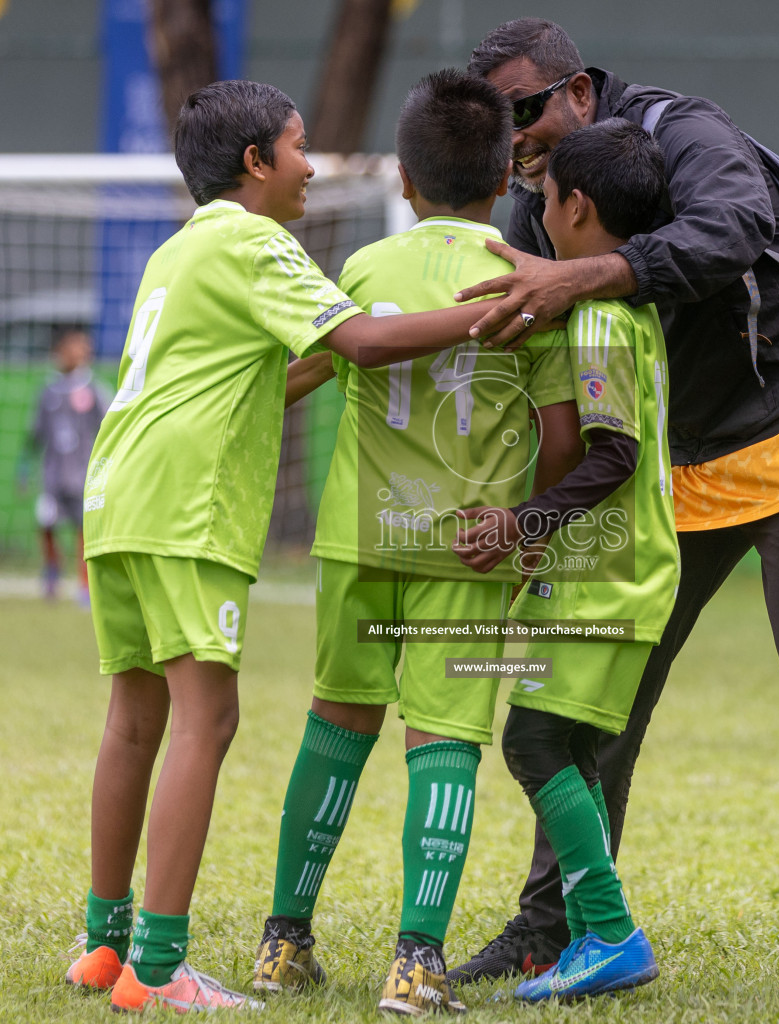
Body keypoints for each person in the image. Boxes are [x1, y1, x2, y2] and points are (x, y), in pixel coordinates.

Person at [449, 19, 779, 1009]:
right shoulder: (537, 213)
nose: (516, 135)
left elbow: (734, 225)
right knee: (597, 686)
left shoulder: (682, 130)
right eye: (499, 124)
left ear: (578, 92)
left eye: (526, 110)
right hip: (679, 451)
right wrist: (537, 518)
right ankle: (554, 924)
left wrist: (583, 273)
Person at [63, 78, 531, 1014]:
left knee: (133, 719)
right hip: (189, 512)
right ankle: (160, 970)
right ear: (255, 164)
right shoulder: (255, 239)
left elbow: (279, 373)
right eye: (298, 146)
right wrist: (497, 308)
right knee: (208, 720)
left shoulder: (180, 250)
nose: (312, 166)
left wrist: (345, 351)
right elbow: (358, 344)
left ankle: (102, 947)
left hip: (117, 501)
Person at [247, 69, 579, 1018]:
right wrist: (529, 535)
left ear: (403, 178)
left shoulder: (365, 274)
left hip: (358, 540)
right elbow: (560, 440)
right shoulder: (527, 283)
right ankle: (416, 964)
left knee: (334, 728)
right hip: (467, 550)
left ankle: (282, 944)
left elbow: (304, 372)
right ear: (507, 175)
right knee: (446, 745)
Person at [453, 117, 675, 1004]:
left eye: (543, 199)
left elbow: (612, 454)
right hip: (611, 572)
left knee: (534, 740)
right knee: (565, 747)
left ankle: (612, 932)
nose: (536, 214)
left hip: (609, 578)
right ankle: (589, 934)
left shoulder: (598, 320)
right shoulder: (629, 309)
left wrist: (517, 525)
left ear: (576, 207)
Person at [21, 325, 108, 604]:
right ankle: (51, 572)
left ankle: (84, 585)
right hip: (53, 477)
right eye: (74, 347)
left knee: (85, 531)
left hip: (84, 476)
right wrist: (23, 469)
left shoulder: (95, 390)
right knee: (45, 522)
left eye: (83, 347)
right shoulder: (48, 392)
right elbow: (35, 435)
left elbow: (110, 428)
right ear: (59, 352)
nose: (80, 353)